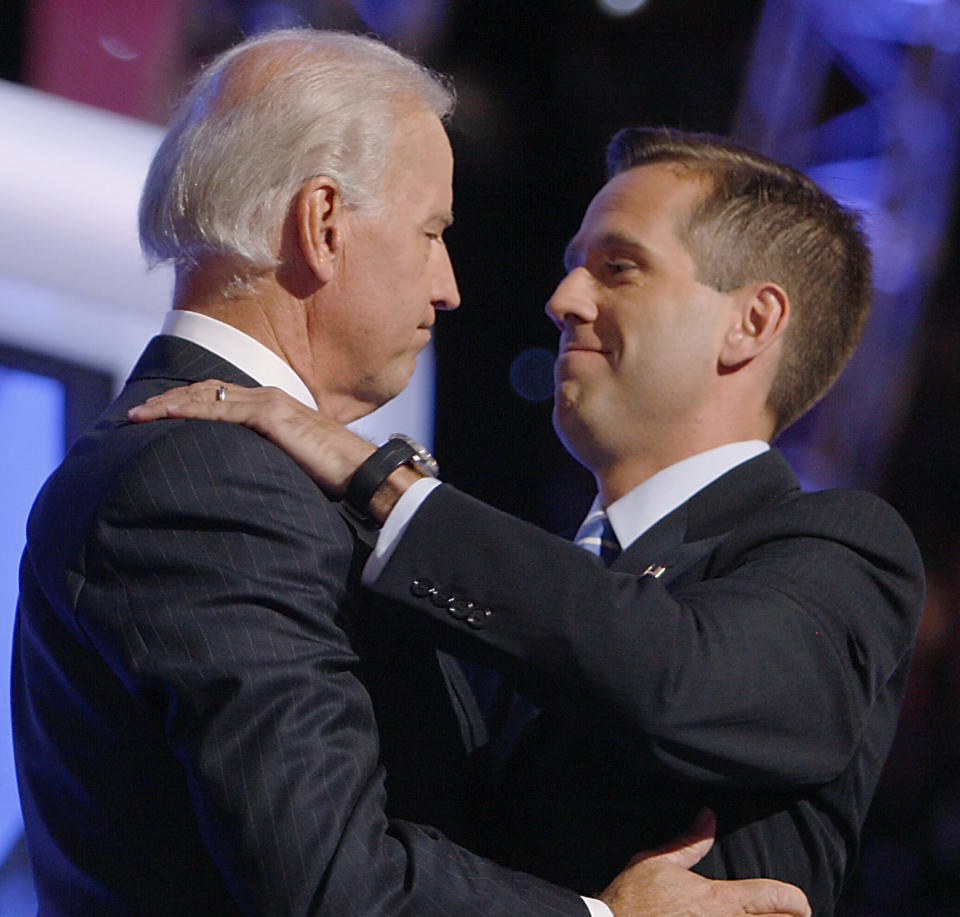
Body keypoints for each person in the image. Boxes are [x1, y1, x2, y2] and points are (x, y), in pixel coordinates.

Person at [11, 29, 811, 917]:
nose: (450, 285)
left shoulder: (223, 468)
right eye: (432, 232)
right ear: (323, 224)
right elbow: (332, 885)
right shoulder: (206, 479)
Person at [131, 128, 925, 916]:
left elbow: (681, 678)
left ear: (751, 322)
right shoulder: (516, 584)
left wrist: (384, 481)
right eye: (574, 265)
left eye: (619, 268)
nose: (564, 299)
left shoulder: (844, 551)